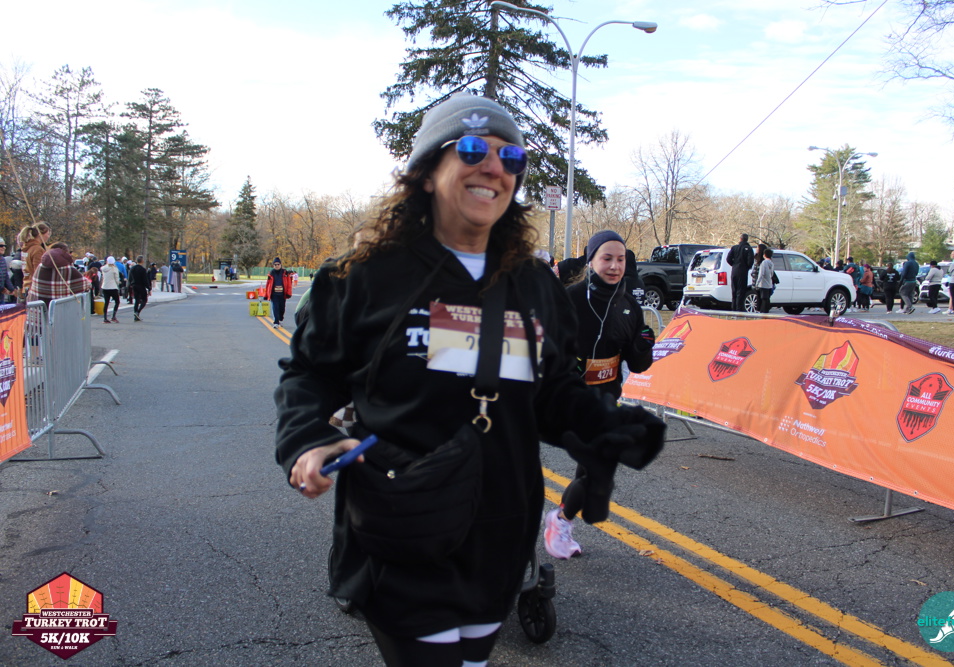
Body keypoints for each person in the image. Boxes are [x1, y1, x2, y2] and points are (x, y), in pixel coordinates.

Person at [274, 92, 665, 667]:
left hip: (500, 532)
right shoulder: (366, 277)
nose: (494, 167)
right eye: (474, 149)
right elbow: (308, 374)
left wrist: (603, 425)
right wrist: (307, 439)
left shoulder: (534, 286)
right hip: (403, 520)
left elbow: (551, 390)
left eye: (511, 158)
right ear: (426, 171)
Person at [544, 230, 656, 559]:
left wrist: (643, 345)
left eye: (620, 259)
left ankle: (561, 519)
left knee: (592, 469)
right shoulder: (571, 299)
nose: (614, 266)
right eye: (607, 258)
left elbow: (639, 364)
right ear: (591, 260)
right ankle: (560, 521)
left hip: (606, 399)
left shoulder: (629, 307)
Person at [25, 242, 89, 307]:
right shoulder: (69, 269)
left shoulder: (40, 267)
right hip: (62, 310)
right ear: (65, 254)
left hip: (38, 310)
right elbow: (87, 285)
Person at [726, 233, 754, 311]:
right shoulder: (748, 249)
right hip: (743, 272)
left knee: (734, 290)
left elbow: (728, 259)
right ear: (747, 239)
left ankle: (734, 308)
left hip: (734, 271)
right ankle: (739, 308)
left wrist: (734, 264)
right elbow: (750, 261)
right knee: (741, 291)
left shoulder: (734, 248)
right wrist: (746, 267)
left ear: (740, 239)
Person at [18, 225, 46, 301]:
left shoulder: (26, 248)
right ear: (40, 234)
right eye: (48, 234)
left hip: (26, 285)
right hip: (34, 289)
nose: (48, 236)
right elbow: (38, 271)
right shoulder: (37, 249)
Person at [264, 257, 293, 328]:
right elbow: (268, 284)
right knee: (275, 308)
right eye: (275, 264)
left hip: (282, 294)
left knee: (282, 308)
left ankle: (280, 319)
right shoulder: (271, 273)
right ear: (273, 265)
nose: (277, 266)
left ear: (280, 265)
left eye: (278, 264)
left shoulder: (285, 273)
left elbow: (289, 284)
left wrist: (289, 293)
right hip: (274, 294)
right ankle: (276, 322)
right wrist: (266, 294)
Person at [753, 247, 775, 314]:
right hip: (769, 283)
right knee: (767, 298)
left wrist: (757, 283)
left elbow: (761, 274)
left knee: (763, 298)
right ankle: (766, 311)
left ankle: (762, 311)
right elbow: (772, 273)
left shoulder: (764, 263)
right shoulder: (771, 263)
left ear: (764, 255)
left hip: (763, 283)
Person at [129, 255, 152, 321]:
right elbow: (145, 280)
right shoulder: (143, 269)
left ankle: (136, 314)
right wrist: (149, 288)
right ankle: (138, 312)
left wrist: (130, 284)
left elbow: (130, 277)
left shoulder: (132, 268)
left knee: (137, 300)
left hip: (134, 285)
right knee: (144, 299)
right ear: (142, 261)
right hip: (141, 285)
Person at [101, 255, 122, 323]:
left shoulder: (103, 268)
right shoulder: (114, 269)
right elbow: (116, 278)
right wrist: (118, 283)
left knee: (106, 302)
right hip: (113, 287)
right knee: (117, 301)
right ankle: (113, 316)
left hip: (105, 286)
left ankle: (105, 318)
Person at [0, 237, 15, 303]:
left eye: (5, 246)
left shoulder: (3, 260)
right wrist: (2, 288)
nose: (4, 247)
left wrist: (12, 289)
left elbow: (6, 276)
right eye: (1, 246)